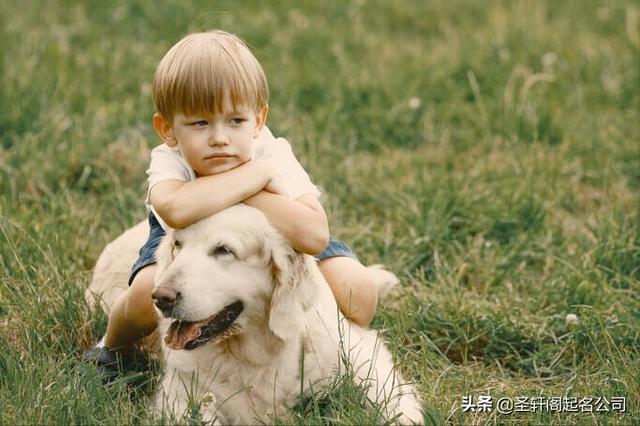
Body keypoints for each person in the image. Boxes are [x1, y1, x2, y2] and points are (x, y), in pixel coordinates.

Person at [84, 30, 381, 378]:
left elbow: (314, 235)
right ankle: (111, 349)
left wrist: (252, 188)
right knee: (141, 296)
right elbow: (176, 210)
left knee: (358, 288)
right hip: (183, 244)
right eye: (200, 123)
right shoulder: (169, 159)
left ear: (259, 119)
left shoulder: (271, 152)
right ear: (167, 129)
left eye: (235, 121)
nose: (220, 138)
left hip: (273, 240)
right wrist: (250, 179)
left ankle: (328, 333)